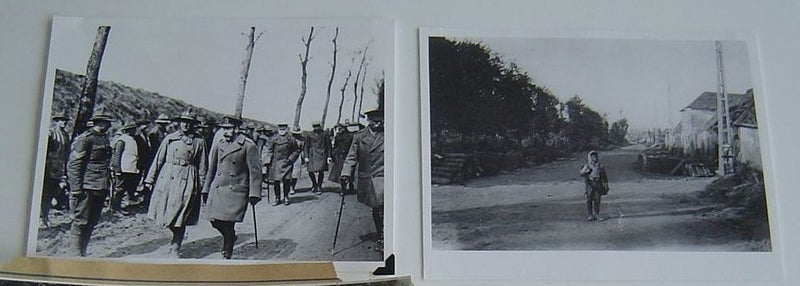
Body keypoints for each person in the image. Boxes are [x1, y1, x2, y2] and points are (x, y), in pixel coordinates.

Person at [143, 109, 207, 257]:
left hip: (188, 178)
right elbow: (158, 159)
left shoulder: (199, 141)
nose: (186, 125)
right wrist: (150, 179)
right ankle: (175, 238)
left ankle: (176, 246)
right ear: (179, 123)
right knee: (166, 213)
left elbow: (203, 166)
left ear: (193, 125)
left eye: (189, 123)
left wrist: (202, 185)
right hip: (168, 177)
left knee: (181, 213)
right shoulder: (170, 138)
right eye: (184, 122)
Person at [202, 116, 262, 259]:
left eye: (228, 128)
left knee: (228, 223)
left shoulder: (248, 145)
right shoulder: (219, 144)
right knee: (214, 221)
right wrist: (206, 188)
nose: (225, 131)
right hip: (218, 188)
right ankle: (231, 237)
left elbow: (255, 171)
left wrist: (254, 193)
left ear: (236, 129)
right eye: (224, 128)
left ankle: (227, 249)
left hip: (235, 190)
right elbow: (213, 168)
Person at [66, 112, 114, 256]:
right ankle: (75, 253)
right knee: (81, 221)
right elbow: (74, 165)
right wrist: (75, 189)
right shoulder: (85, 140)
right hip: (87, 187)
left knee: (92, 221)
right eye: (107, 122)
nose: (109, 125)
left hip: (100, 186)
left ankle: (83, 252)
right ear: (100, 122)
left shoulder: (104, 138)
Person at [341, 109, 385, 251]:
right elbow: (351, 157)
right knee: (377, 209)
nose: (378, 124)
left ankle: (384, 237)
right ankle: (380, 235)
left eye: (380, 121)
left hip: (385, 176)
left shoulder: (390, 134)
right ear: (369, 121)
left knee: (384, 208)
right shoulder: (359, 137)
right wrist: (346, 174)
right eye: (374, 121)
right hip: (369, 178)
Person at [41, 112, 71, 227]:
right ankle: (44, 217)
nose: (63, 122)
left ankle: (46, 214)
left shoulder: (66, 135)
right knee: (46, 192)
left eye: (65, 121)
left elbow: (67, 153)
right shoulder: (51, 133)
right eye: (61, 120)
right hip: (49, 167)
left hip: (60, 168)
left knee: (55, 191)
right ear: (56, 121)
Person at [110, 122, 140, 216]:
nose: (135, 130)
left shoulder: (131, 139)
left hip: (129, 168)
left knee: (124, 189)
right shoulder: (122, 140)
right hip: (123, 169)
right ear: (128, 130)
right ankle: (115, 208)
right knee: (119, 189)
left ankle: (119, 207)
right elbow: (117, 156)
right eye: (133, 129)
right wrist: (117, 170)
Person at [266, 124, 301, 206]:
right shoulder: (274, 139)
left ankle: (286, 197)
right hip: (275, 163)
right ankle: (277, 198)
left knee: (287, 181)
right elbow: (270, 151)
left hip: (287, 163)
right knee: (276, 182)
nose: (282, 130)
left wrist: (290, 159)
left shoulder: (291, 139)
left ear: (286, 129)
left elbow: (296, 151)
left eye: (283, 128)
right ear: (278, 129)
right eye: (280, 128)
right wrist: (267, 161)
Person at [579, 150, 609, 221]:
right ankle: (590, 215)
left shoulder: (600, 166)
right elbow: (581, 173)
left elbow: (604, 177)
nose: (594, 159)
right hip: (590, 184)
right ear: (590, 158)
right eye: (592, 157)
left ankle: (597, 214)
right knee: (589, 199)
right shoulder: (587, 166)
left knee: (597, 199)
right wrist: (586, 171)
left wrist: (606, 185)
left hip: (598, 183)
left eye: (595, 157)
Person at [304, 121, 332, 194]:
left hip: (322, 154)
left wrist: (329, 156)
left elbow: (329, 146)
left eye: (317, 126)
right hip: (312, 154)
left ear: (320, 126)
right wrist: (306, 156)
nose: (316, 128)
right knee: (310, 171)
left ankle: (319, 186)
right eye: (314, 126)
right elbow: (306, 146)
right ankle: (314, 184)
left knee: (321, 171)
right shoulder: (309, 135)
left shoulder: (324, 134)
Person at [328, 122, 354, 195]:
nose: (340, 129)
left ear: (344, 128)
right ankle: (343, 189)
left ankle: (351, 185)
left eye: (341, 128)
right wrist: (333, 154)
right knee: (340, 174)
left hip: (348, 155)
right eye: (339, 128)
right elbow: (335, 146)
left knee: (350, 173)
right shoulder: (338, 136)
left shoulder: (351, 136)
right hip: (339, 157)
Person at [289, 127, 305, 195]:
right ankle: (288, 187)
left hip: (298, 156)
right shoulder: (289, 138)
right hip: (289, 156)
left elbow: (303, 149)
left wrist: (303, 157)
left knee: (295, 173)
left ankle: (292, 187)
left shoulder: (302, 139)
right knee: (288, 172)